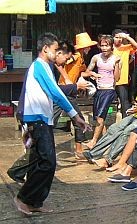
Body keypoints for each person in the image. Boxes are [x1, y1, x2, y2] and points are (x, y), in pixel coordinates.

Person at [12, 32, 91, 215]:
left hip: (42, 119)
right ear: (45, 49)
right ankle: (24, 197)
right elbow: (56, 93)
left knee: (43, 161)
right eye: (55, 50)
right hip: (37, 119)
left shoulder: (45, 66)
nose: (57, 53)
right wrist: (75, 115)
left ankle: (35, 201)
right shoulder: (39, 66)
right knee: (48, 162)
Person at [82, 62, 137, 168]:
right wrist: (135, 108)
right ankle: (94, 154)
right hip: (136, 115)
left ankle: (108, 159)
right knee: (114, 128)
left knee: (126, 132)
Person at [81, 35, 121, 149]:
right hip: (99, 90)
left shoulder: (116, 59)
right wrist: (93, 74)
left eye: (106, 45)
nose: (104, 48)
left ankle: (93, 141)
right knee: (97, 117)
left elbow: (117, 78)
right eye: (102, 45)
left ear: (111, 46)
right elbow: (85, 73)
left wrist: (117, 64)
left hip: (109, 90)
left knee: (100, 117)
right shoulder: (96, 58)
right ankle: (104, 142)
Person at [112, 29, 137, 119]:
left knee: (124, 102)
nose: (119, 39)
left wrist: (126, 37)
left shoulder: (125, 47)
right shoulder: (109, 48)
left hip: (122, 80)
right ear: (112, 38)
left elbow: (136, 45)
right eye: (116, 37)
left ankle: (125, 122)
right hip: (109, 80)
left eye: (120, 38)